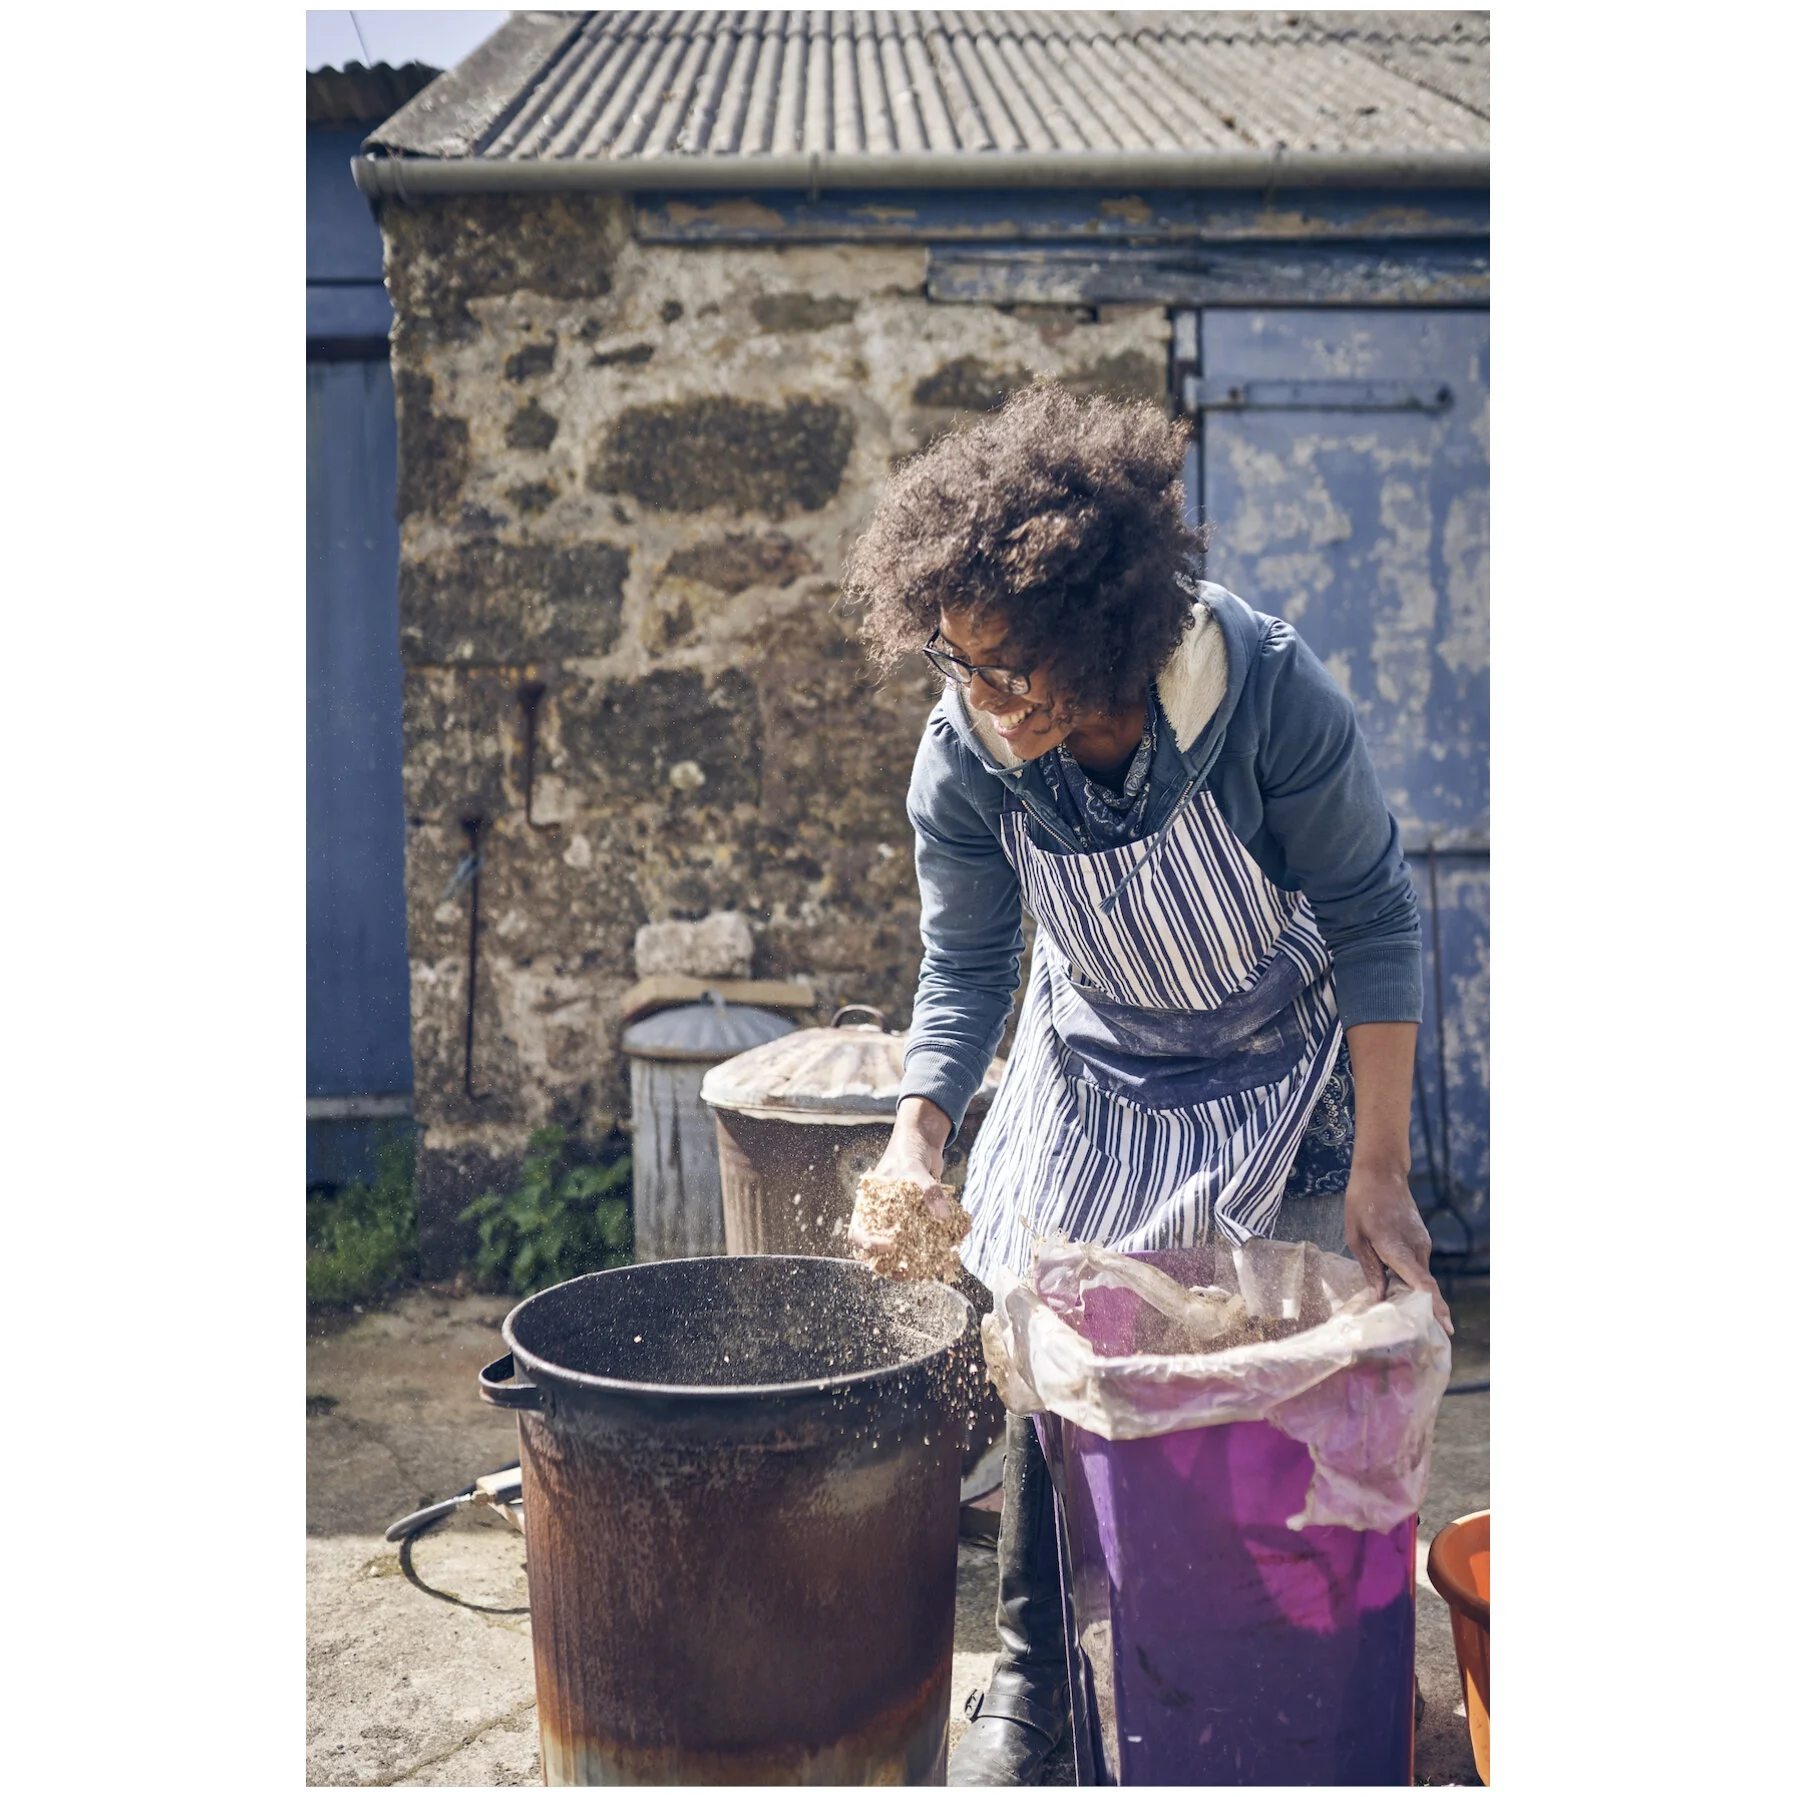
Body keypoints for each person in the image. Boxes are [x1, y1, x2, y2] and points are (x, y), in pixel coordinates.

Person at [840, 384, 1453, 1786]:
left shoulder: (1259, 695)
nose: (982, 702)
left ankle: (1271, 1654)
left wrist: (1377, 1167)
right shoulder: (970, 754)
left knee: (1261, 1366)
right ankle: (1038, 1684)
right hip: (1098, 1066)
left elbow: (1373, 918)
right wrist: (917, 1134)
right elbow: (968, 963)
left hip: (1272, 1067)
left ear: (1099, 639)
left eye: (1010, 672)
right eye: (956, 665)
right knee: (1050, 1355)